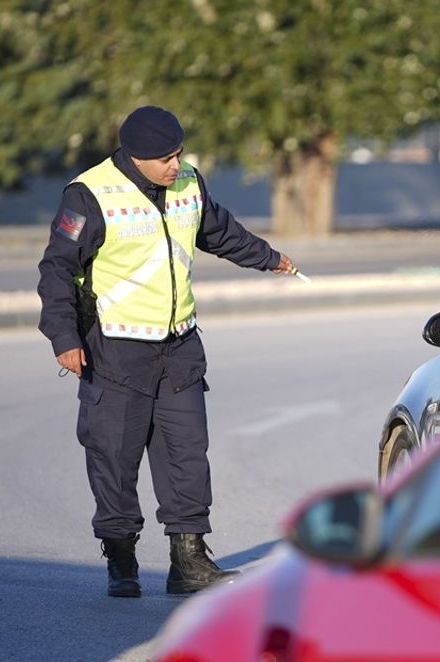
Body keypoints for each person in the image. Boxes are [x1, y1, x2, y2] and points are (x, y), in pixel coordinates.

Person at [37, 105, 298, 598]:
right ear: (136, 157)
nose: (175, 165)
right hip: (115, 350)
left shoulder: (189, 184)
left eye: (179, 154)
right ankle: (120, 556)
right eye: (165, 159)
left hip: (179, 347)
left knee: (187, 455)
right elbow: (56, 269)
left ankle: (189, 560)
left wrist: (268, 258)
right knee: (113, 458)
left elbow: (218, 232)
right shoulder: (89, 194)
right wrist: (64, 337)